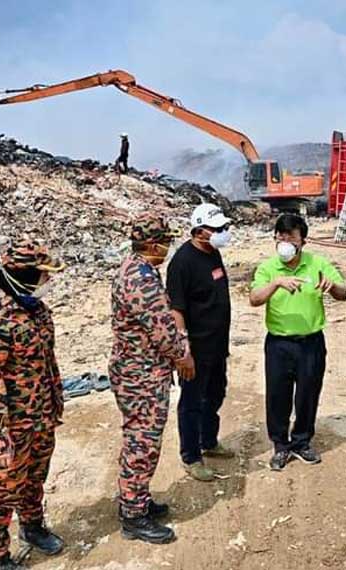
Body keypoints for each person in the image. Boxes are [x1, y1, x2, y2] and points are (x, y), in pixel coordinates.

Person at [0, 240, 67, 570]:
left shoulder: (37, 310)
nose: (46, 281)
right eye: (42, 274)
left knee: (35, 479)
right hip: (11, 426)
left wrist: (55, 402)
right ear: (24, 274)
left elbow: (47, 361)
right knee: (2, 491)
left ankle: (33, 527)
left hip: (40, 418)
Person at [110, 214, 191, 544]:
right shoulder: (141, 279)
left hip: (137, 370)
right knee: (141, 444)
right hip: (141, 376)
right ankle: (133, 516)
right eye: (165, 242)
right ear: (153, 244)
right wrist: (183, 353)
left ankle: (137, 499)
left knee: (138, 440)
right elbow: (164, 333)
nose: (167, 248)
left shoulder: (135, 267)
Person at [250, 214, 346, 471]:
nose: (284, 241)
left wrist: (332, 287)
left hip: (311, 343)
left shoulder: (317, 263)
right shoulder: (268, 268)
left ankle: (302, 441)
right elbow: (254, 298)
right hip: (279, 344)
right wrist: (276, 283)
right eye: (280, 236)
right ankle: (280, 446)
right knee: (277, 395)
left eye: (290, 236)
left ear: (302, 240)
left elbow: (343, 293)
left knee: (308, 393)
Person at [167, 203, 235, 482]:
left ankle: (209, 440)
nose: (223, 233)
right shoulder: (182, 262)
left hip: (217, 345)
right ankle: (191, 456)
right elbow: (176, 310)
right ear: (199, 231)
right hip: (196, 348)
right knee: (192, 402)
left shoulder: (213, 253)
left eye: (224, 228)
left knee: (216, 393)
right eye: (217, 229)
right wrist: (184, 350)